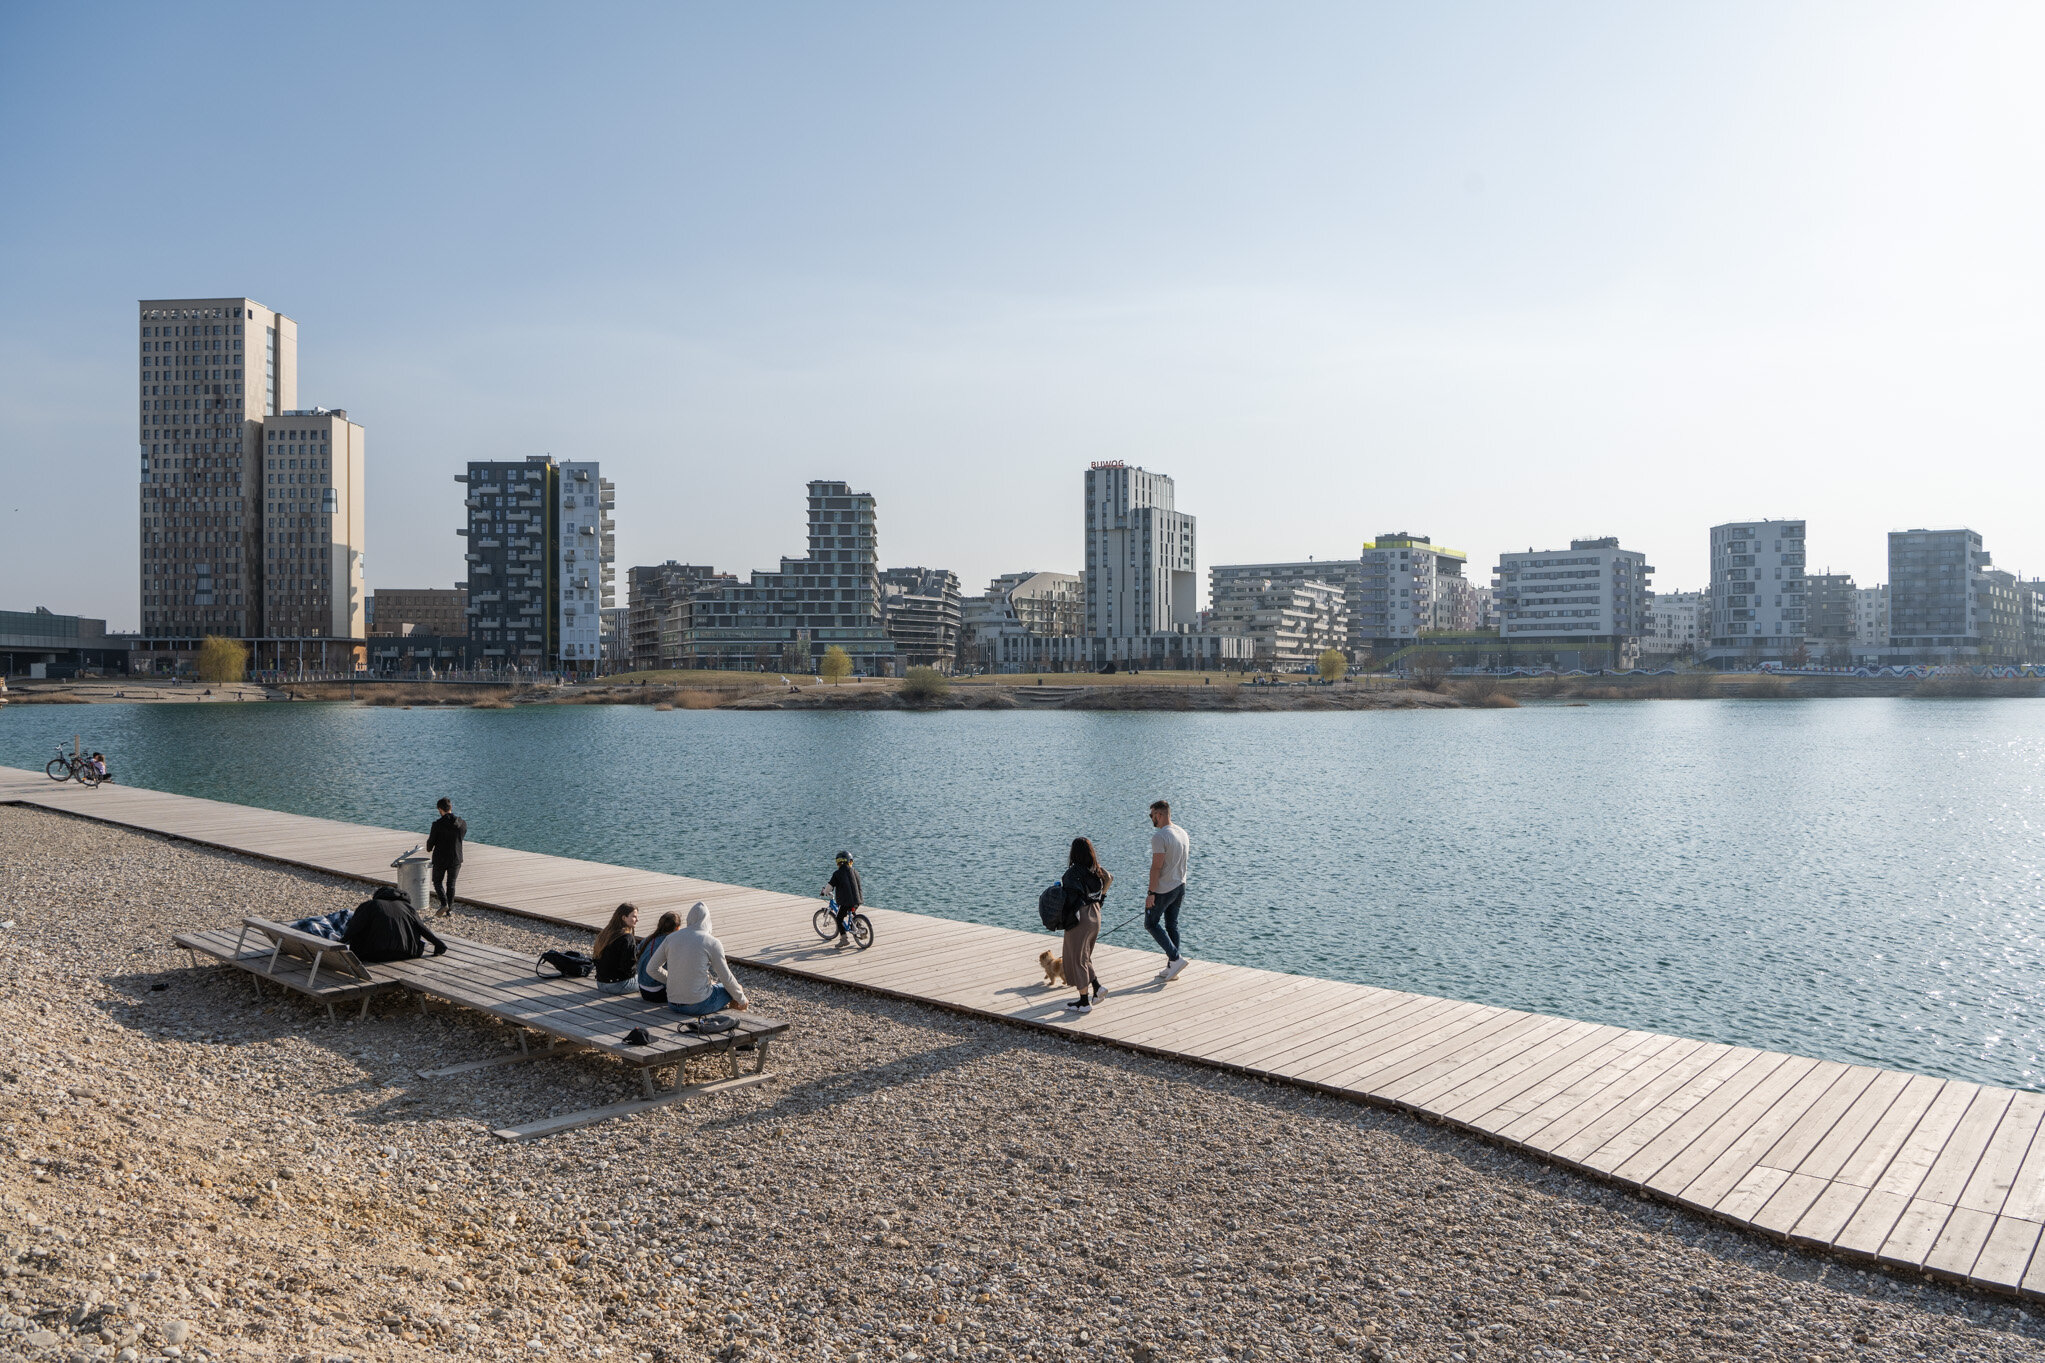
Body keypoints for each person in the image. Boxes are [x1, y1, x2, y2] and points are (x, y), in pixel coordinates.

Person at [643, 902, 751, 1017]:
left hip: (673, 1003)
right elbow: (726, 977)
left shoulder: (671, 938)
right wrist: (742, 999)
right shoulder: (712, 942)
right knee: (736, 989)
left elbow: (651, 968)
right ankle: (738, 1021)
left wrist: (673, 981)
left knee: (720, 987)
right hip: (698, 1005)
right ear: (707, 921)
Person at [1060, 837, 1111, 1013]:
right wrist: (1103, 892)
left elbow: (1069, 901)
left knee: (1077, 959)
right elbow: (1106, 884)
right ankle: (1097, 988)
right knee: (1085, 956)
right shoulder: (1096, 872)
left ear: (1073, 853)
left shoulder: (1072, 874)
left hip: (1080, 918)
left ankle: (1083, 1002)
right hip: (1095, 914)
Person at [1145, 800, 1192, 981]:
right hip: (1180, 885)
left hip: (1164, 889)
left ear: (1160, 814)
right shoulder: (1182, 833)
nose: (1152, 819)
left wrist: (1151, 894)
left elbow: (1156, 867)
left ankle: (1175, 958)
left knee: (1150, 923)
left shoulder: (1160, 837)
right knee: (1171, 925)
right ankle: (1173, 968)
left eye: (1152, 816)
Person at [341, 886, 448, 964]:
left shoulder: (371, 905)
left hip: (374, 954)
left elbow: (354, 928)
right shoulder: (408, 908)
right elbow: (423, 929)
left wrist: (339, 943)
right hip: (407, 953)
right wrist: (439, 944)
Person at [426, 797, 466, 918]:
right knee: (451, 884)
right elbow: (461, 838)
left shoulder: (437, 825)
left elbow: (430, 845)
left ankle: (444, 903)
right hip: (456, 858)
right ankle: (450, 910)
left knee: (437, 882)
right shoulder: (462, 823)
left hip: (440, 859)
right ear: (450, 808)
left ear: (440, 810)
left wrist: (429, 847)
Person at [591, 903, 640, 994]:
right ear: (624, 918)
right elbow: (628, 968)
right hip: (618, 985)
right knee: (649, 978)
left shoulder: (605, 933)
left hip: (601, 984)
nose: (637, 920)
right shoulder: (627, 938)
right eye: (634, 917)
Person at [636, 910, 682, 1004]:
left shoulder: (648, 939)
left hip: (643, 990)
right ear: (677, 928)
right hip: (658, 992)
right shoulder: (670, 943)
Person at [822, 851, 862, 945]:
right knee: (852, 913)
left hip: (846, 902)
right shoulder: (855, 872)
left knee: (839, 918)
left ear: (839, 863)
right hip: (857, 900)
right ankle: (859, 926)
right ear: (849, 862)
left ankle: (844, 939)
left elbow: (829, 887)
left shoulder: (837, 873)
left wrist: (825, 892)